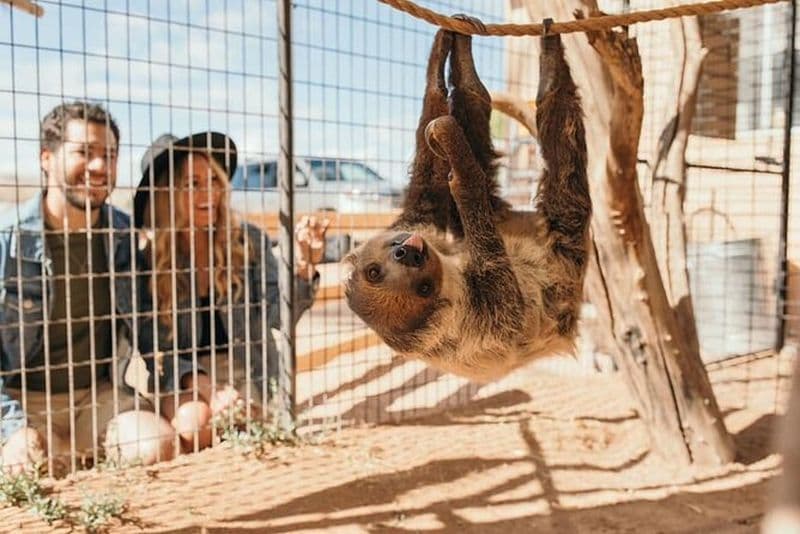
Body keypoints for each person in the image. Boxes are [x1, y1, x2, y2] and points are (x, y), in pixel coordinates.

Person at [0, 101, 176, 473]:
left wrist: (187, 379)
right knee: (23, 470)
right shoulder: (7, 241)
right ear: (46, 158)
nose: (99, 166)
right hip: (20, 400)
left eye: (109, 155)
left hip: (98, 396)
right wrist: (12, 428)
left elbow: (153, 330)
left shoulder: (124, 236)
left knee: (156, 444)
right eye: (85, 152)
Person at [132, 132, 327, 452]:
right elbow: (154, 347)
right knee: (198, 426)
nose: (209, 191)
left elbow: (279, 317)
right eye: (192, 183)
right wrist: (208, 388)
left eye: (213, 179)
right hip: (185, 378)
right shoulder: (150, 260)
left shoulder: (247, 241)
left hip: (250, 368)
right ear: (166, 194)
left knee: (246, 426)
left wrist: (304, 267)